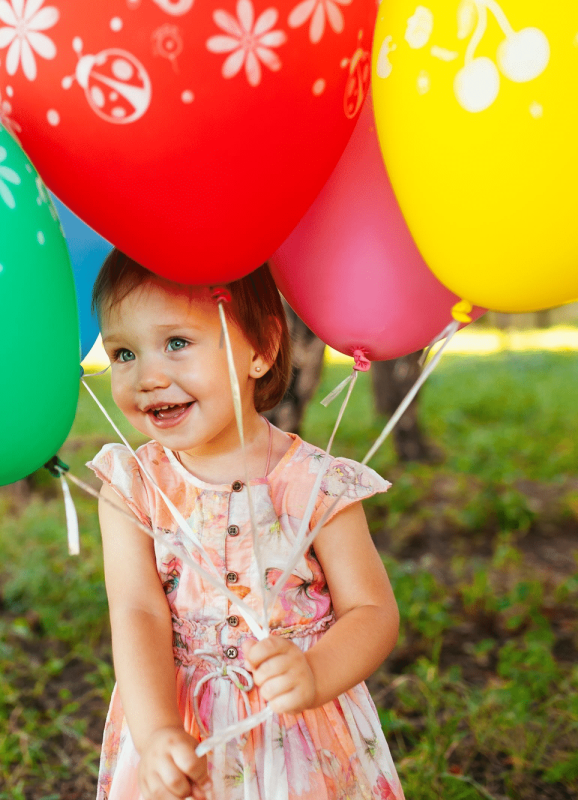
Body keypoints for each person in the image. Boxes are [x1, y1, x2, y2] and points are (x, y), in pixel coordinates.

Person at [87, 251, 405, 800]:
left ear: (261, 348)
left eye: (177, 343)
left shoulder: (316, 484)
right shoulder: (132, 485)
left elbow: (372, 611)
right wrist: (157, 729)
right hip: (178, 720)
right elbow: (136, 611)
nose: (148, 376)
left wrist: (315, 673)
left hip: (300, 730)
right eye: (123, 352)